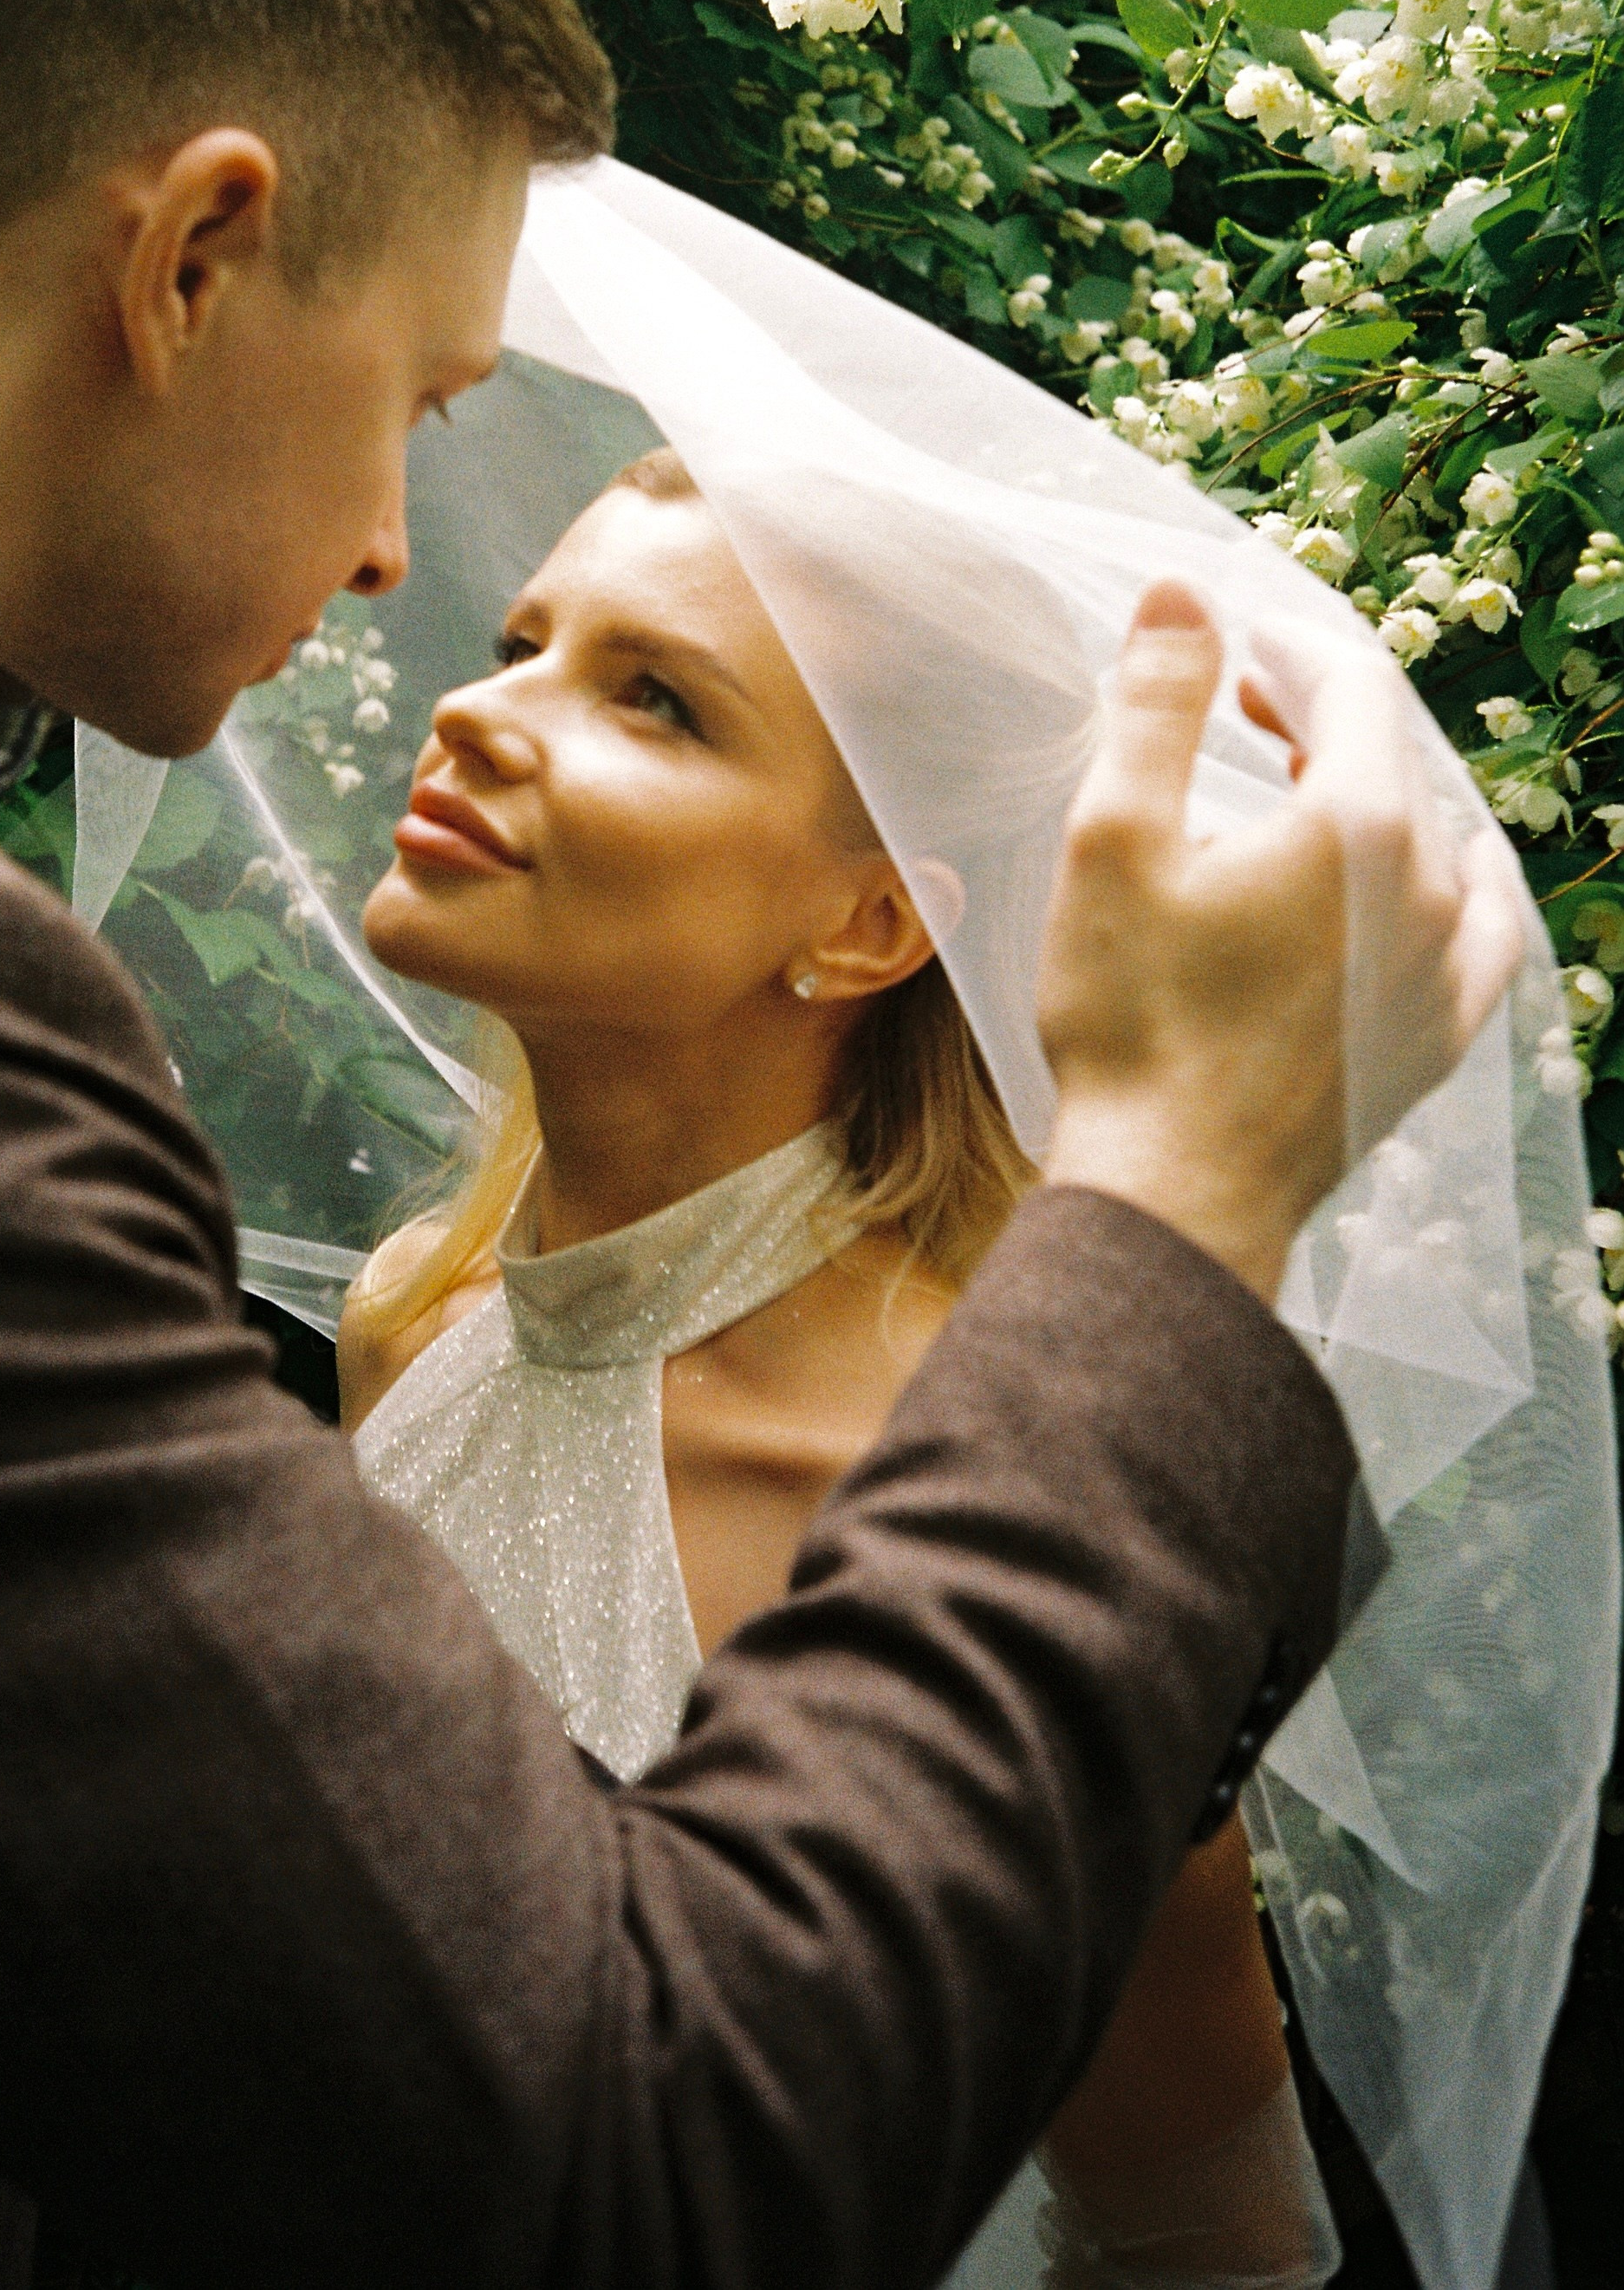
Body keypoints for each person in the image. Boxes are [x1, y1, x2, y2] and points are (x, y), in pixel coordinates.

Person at [0, 0, 1523, 2290]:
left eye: (655, 684)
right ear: (200, 250)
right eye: (422, 395)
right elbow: (614, 2174)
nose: (390, 562)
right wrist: (1174, 1183)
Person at [341, 446, 1338, 2290]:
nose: (476, 712)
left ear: (867, 921)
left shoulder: (1000, 1519)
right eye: (519, 641)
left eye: (654, 698)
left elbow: (1210, 2243)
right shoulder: (410, 1326)